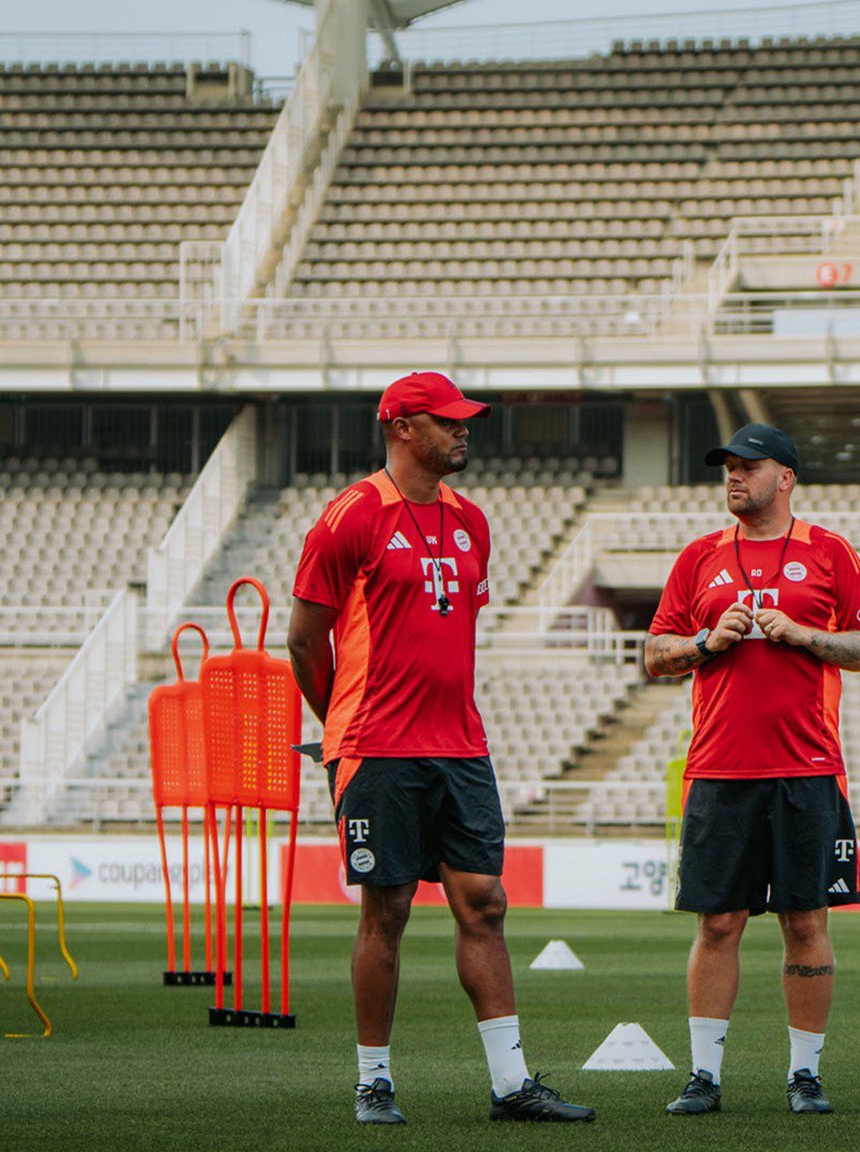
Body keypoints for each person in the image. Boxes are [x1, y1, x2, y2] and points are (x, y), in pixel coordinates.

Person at [287, 371, 594, 1127]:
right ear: (401, 427)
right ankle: (373, 1082)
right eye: (449, 421)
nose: (465, 431)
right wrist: (340, 729)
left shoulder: (472, 521)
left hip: (459, 744)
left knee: (485, 906)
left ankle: (510, 1085)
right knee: (385, 910)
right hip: (376, 747)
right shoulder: (350, 516)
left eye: (466, 421)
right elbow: (303, 639)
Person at [644, 422, 860, 1118]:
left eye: (748, 466)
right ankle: (703, 1076)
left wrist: (805, 636)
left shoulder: (831, 552)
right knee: (717, 923)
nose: (733, 477)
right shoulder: (698, 558)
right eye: (727, 467)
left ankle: (804, 1074)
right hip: (719, 770)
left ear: (785, 477)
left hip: (807, 769)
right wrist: (703, 641)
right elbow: (655, 654)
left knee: (805, 922)